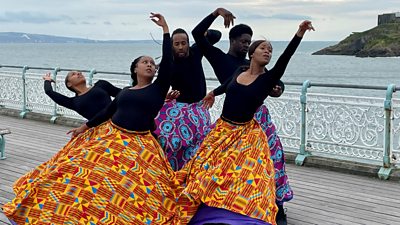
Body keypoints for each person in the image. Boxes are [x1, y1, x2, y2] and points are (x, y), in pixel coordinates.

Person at [2, 13, 179, 225]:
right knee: (81, 173)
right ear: (135, 69)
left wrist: (165, 29)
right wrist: (83, 127)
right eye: (145, 62)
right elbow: (107, 112)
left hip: (138, 144)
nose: (150, 65)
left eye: (152, 63)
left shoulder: (158, 88)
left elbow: (167, 60)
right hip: (110, 136)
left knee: (132, 187)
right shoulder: (124, 91)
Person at [176, 20, 314, 225]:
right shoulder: (239, 70)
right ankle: (205, 209)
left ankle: (265, 209)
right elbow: (228, 84)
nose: (267, 52)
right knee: (203, 169)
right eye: (263, 48)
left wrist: (299, 33)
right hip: (222, 130)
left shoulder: (268, 78)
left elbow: (286, 58)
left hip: (247, 132)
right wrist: (214, 92)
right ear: (252, 53)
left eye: (270, 50)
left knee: (255, 173)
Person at [192, 7, 292, 224]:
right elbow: (197, 35)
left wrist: (278, 89)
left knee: (272, 160)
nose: (246, 44)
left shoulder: (253, 64)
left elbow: (275, 80)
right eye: (243, 41)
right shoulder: (220, 59)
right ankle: (218, 204)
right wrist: (215, 13)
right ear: (232, 40)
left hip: (259, 119)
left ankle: (276, 205)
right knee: (222, 165)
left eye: (249, 42)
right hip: (232, 121)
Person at [154, 28, 221, 171]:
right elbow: (158, 88)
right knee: (172, 143)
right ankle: (171, 170)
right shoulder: (169, 63)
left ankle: (190, 172)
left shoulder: (196, 52)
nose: (180, 47)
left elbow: (217, 35)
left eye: (183, 43)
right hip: (178, 109)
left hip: (199, 108)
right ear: (171, 45)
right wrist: (166, 97)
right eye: (176, 44)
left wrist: (204, 33)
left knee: (200, 144)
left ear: (188, 43)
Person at [43, 71, 121, 120]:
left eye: (79, 72)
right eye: (73, 74)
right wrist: (47, 80)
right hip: (98, 130)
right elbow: (49, 91)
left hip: (118, 121)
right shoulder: (73, 102)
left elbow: (123, 94)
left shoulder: (101, 84)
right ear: (69, 84)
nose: (79, 73)